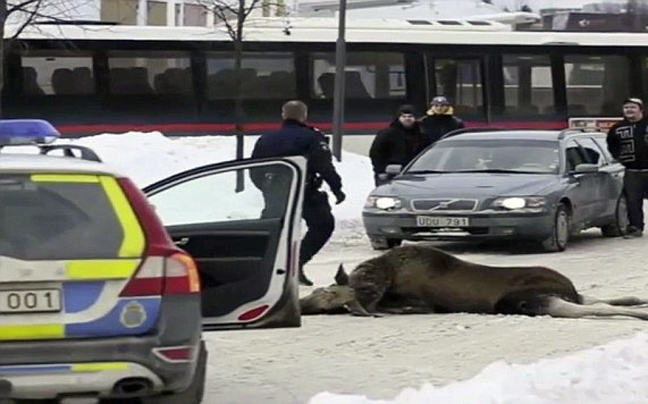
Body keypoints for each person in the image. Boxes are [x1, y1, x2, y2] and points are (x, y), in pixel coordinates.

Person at [251, 100, 346, 286]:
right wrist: (337, 188)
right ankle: (297, 262)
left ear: (283, 115)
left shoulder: (266, 139)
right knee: (323, 225)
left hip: (276, 194)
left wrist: (266, 189)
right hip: (306, 193)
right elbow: (324, 165)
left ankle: (263, 269)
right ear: (304, 116)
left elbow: (254, 169)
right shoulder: (312, 137)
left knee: (271, 230)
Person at [606, 97, 648, 239]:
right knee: (633, 201)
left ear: (641, 110)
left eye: (633, 107)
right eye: (626, 107)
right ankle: (635, 227)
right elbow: (611, 147)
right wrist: (620, 159)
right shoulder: (617, 129)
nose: (629, 110)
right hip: (632, 171)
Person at [369, 104, 431, 187]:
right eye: (404, 116)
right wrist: (380, 171)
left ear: (415, 118)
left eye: (410, 116)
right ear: (398, 118)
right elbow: (376, 153)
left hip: (417, 173)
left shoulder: (422, 134)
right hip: (390, 174)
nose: (407, 119)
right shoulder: (387, 134)